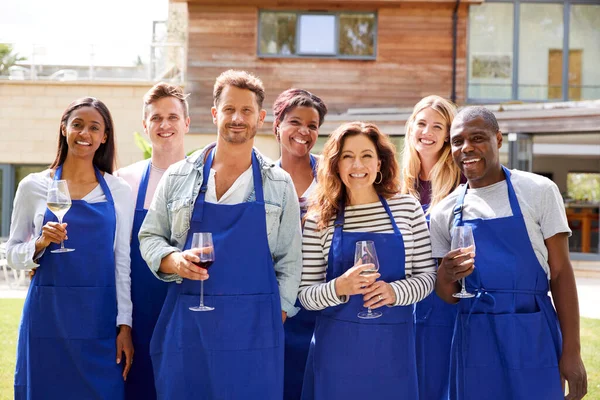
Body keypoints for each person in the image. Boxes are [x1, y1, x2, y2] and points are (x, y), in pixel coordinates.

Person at [138, 70, 302, 399]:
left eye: (246, 111)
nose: (237, 118)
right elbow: (150, 236)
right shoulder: (178, 176)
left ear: (260, 118)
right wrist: (172, 259)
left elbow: (290, 258)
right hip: (189, 326)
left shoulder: (279, 183)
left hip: (253, 332)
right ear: (215, 114)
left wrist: (277, 314)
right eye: (229, 109)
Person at [430, 106, 588, 400]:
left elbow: (561, 273)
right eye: (457, 141)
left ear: (498, 139)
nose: (467, 148)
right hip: (473, 337)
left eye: (477, 138)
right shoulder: (443, 212)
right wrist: (445, 274)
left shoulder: (538, 190)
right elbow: (449, 295)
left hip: (532, 332)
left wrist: (572, 352)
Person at [298, 121, 437, 400]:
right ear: (336, 165)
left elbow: (428, 278)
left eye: (366, 156)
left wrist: (393, 291)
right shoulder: (319, 220)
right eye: (347, 156)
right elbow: (304, 296)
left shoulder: (407, 208)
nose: (357, 164)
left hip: (393, 353)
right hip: (336, 355)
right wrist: (339, 287)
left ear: (379, 163)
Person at [7, 98, 134, 399]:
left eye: (94, 127)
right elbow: (12, 253)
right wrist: (38, 245)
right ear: (64, 128)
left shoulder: (119, 191)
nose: (84, 133)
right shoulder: (33, 186)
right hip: (47, 317)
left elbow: (122, 261)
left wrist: (125, 324)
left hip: (99, 320)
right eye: (77, 125)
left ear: (104, 137)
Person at [115, 82, 189, 400]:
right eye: (156, 118)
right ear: (145, 125)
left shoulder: (206, 178)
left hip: (190, 311)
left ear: (186, 123)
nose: (164, 125)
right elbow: (116, 256)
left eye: (172, 117)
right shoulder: (125, 181)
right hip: (141, 315)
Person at [400, 95, 462, 400]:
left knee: (440, 374)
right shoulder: (394, 179)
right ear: (411, 126)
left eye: (438, 126)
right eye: (422, 123)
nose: (428, 131)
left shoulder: (461, 180)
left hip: (445, 293)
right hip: (403, 290)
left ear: (449, 135)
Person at [272, 88, 328, 400]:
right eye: (295, 122)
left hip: (320, 304)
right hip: (277, 308)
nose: (304, 132)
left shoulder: (332, 177)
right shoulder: (261, 178)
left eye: (312, 125)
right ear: (276, 126)